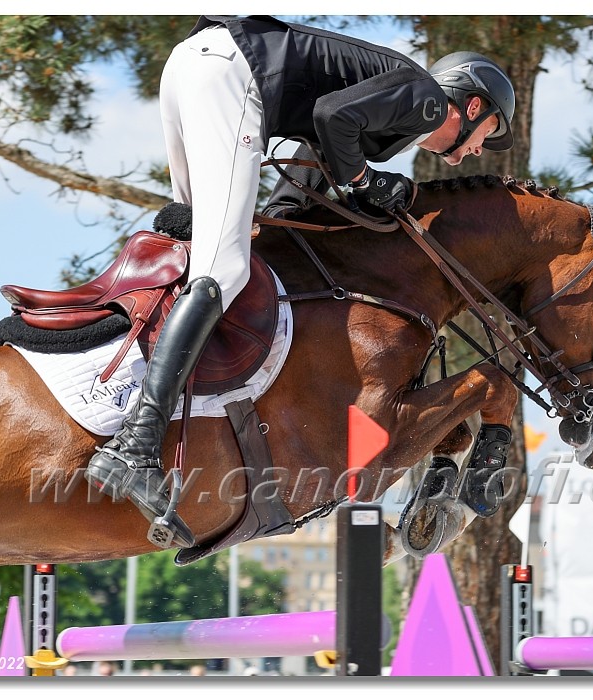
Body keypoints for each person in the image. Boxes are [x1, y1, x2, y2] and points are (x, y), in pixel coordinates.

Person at [85, 14, 516, 547]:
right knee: (222, 269)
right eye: (487, 135)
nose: (476, 150)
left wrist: (298, 209)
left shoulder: (399, 120)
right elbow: (333, 116)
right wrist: (363, 182)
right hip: (229, 72)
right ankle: (136, 444)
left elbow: (312, 144)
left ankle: (133, 401)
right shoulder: (426, 101)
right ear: (473, 107)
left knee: (202, 251)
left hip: (192, 67)